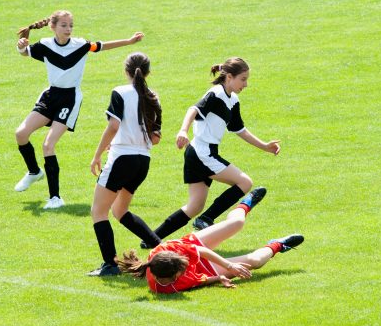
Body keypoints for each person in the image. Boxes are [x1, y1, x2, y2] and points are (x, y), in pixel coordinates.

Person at [14, 10, 144, 209]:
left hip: (70, 99)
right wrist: (21, 46)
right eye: (64, 25)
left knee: (48, 145)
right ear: (53, 27)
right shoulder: (45, 45)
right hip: (50, 96)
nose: (68, 29)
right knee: (21, 134)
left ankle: (55, 198)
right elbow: (25, 53)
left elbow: (101, 46)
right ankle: (34, 172)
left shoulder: (81, 45)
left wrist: (128, 41)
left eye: (70, 25)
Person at [145, 57, 281, 244]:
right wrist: (183, 130)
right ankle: (206, 219)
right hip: (203, 153)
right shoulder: (215, 93)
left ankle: (151, 239)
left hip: (197, 153)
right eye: (243, 79)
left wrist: (264, 146)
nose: (246, 84)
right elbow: (193, 109)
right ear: (229, 77)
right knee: (244, 182)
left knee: (194, 206)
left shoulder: (232, 100)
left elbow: (239, 129)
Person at [115, 187, 304, 293]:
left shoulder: (167, 250)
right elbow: (198, 281)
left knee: (237, 223)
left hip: (195, 245)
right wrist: (219, 277)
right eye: (182, 271)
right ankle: (279, 244)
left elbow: (202, 252)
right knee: (255, 261)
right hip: (206, 268)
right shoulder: (168, 287)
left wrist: (230, 267)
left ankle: (246, 203)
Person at [86, 53, 163, 277]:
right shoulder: (152, 97)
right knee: (119, 210)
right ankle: (160, 248)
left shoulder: (120, 92)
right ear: (147, 72)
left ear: (126, 70)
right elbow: (155, 138)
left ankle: (110, 265)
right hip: (142, 161)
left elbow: (113, 125)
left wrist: (98, 154)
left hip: (121, 159)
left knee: (98, 211)